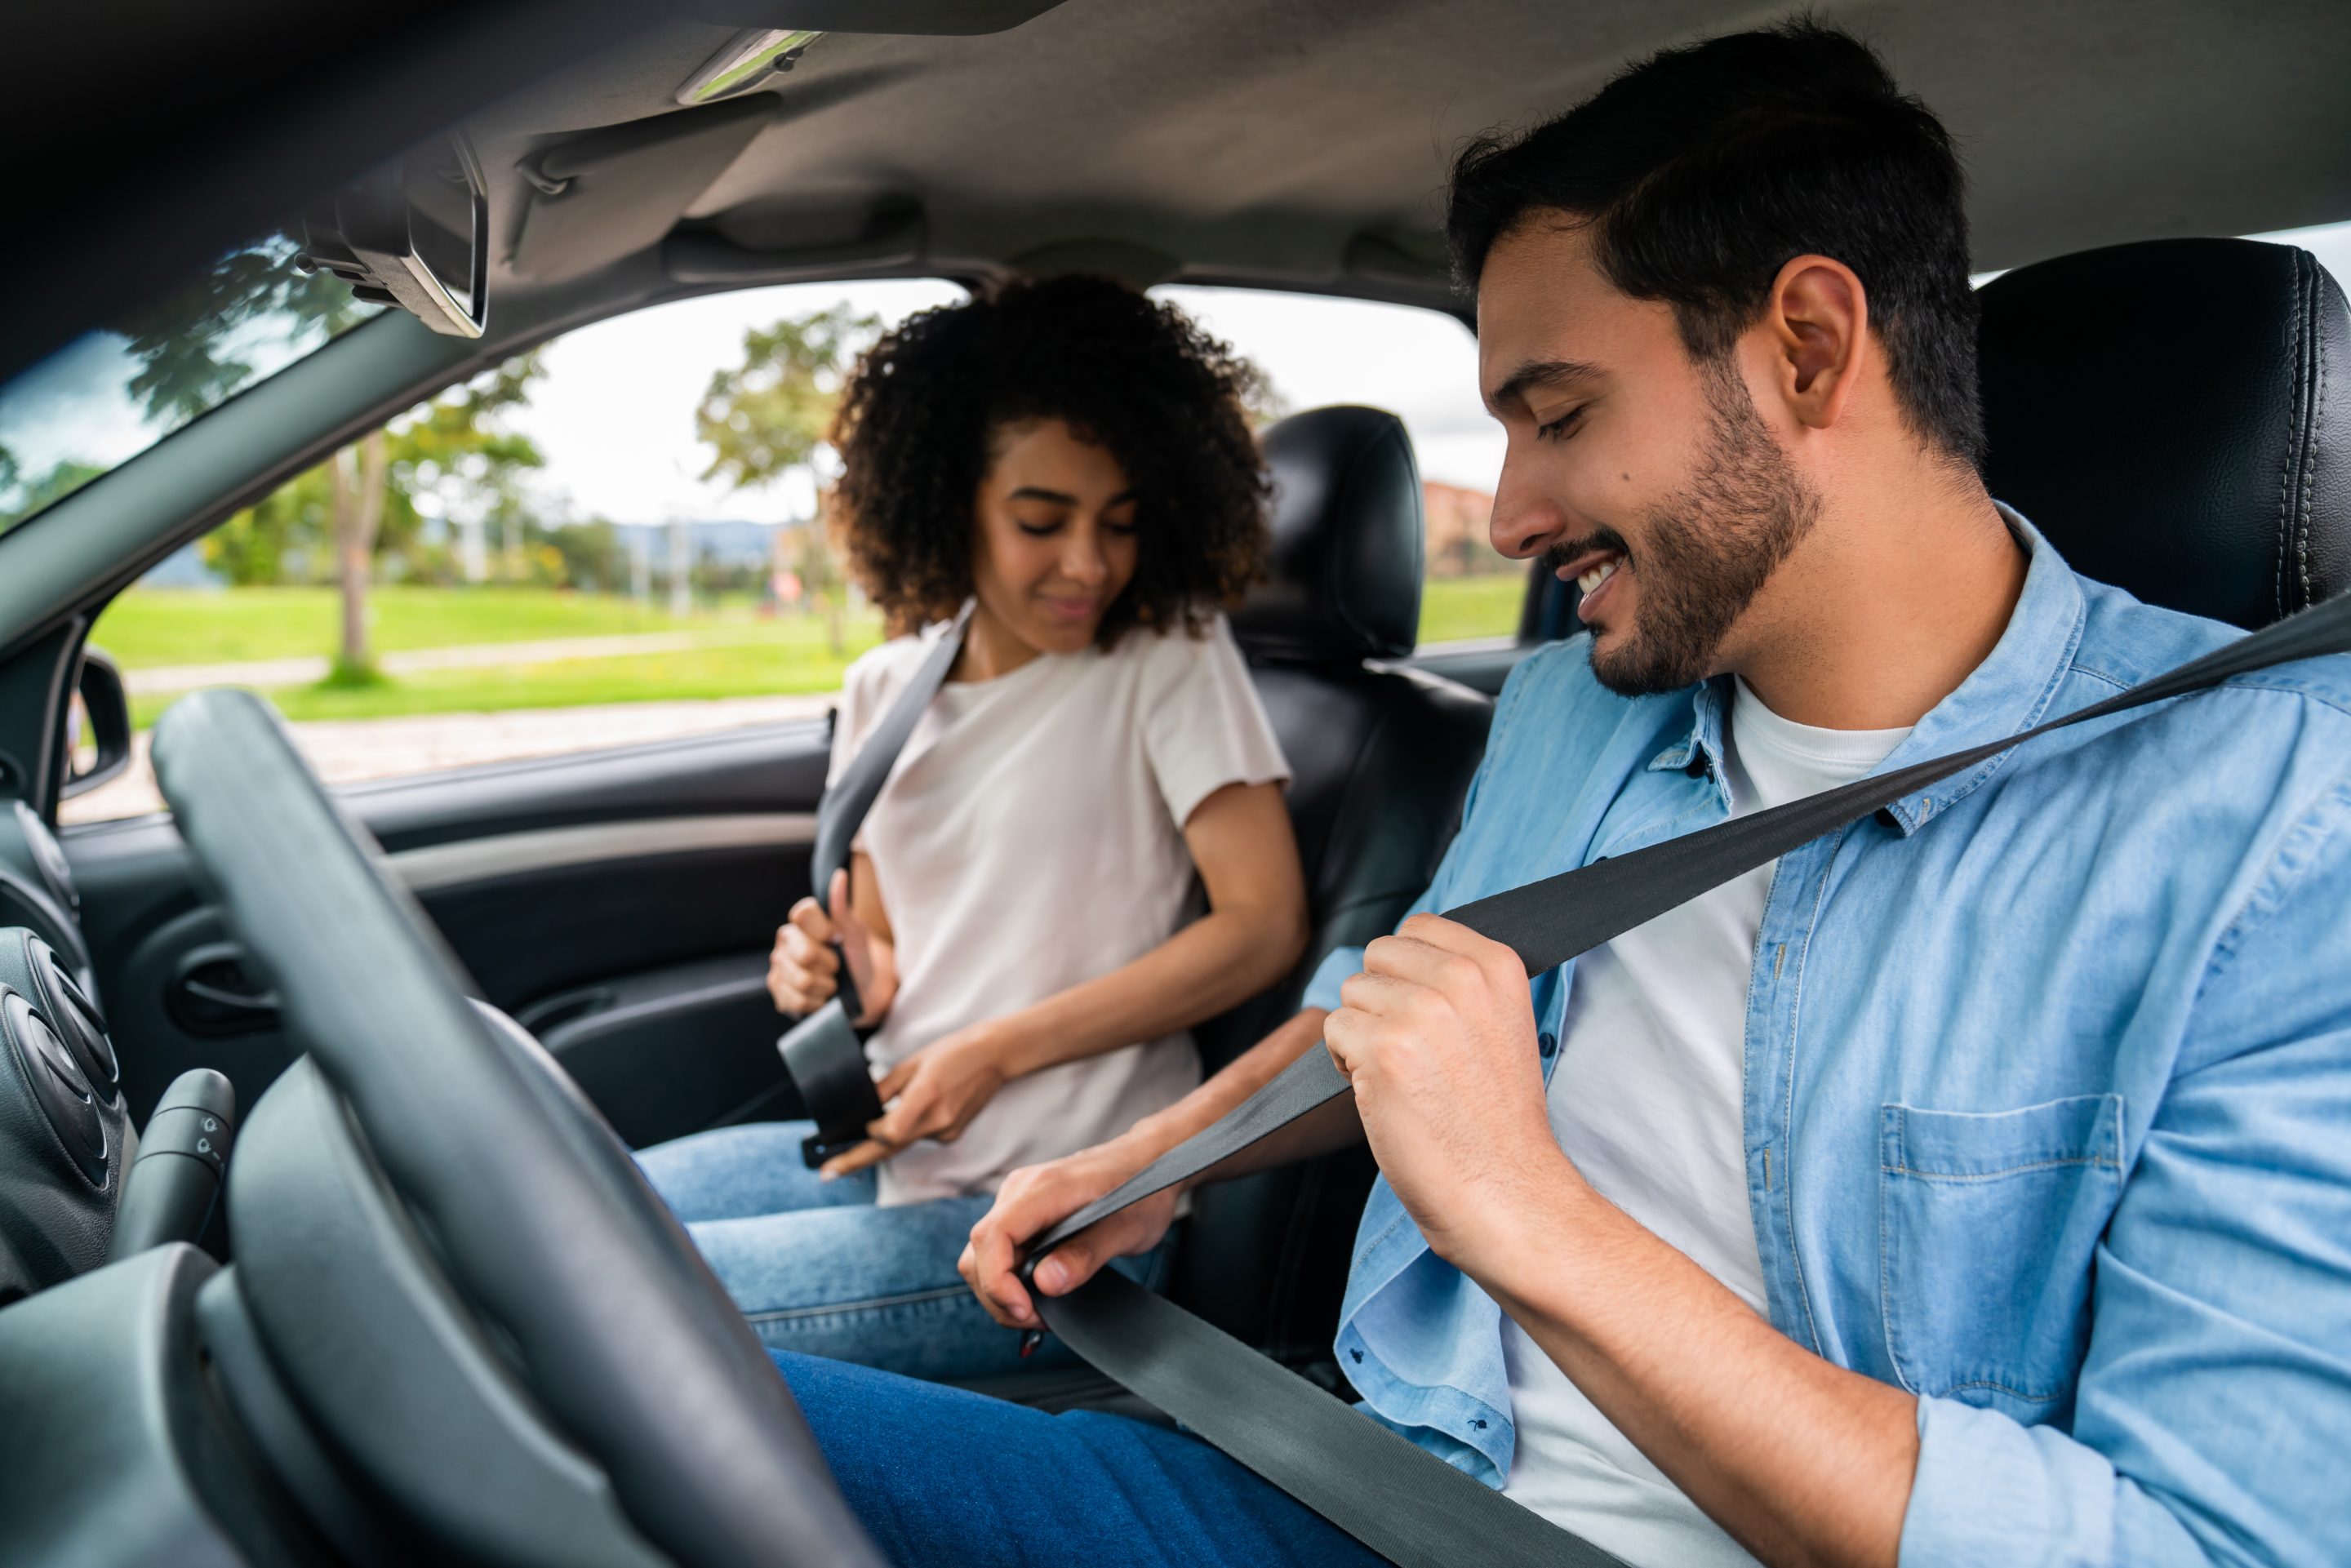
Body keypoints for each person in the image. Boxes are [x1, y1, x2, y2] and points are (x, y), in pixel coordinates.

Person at [754, 21, 2351, 1568]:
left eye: (1560, 413)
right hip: (1370, 1473)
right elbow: (1416, 1010)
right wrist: (1156, 1159)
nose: (1510, 514)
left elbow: (2199, 1544)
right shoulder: (1576, 712)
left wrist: (1522, 1209)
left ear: (1807, 346)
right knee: (639, 1404)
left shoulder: (2286, 836)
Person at [638, 275, 1308, 1383]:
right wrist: (829, 967)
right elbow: (891, 954)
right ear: (951, 501)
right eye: (1041, 520)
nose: (1088, 562)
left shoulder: (1167, 661)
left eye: (1121, 522)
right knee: (554, 1206)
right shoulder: (883, 686)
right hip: (898, 1157)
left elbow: (1264, 924)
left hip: (1069, 1216)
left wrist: (998, 1051)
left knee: (591, 1299)